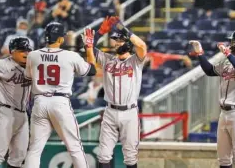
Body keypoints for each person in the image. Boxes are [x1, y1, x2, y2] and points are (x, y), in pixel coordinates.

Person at [23, 22, 96, 168]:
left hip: (39, 102)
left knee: (34, 150)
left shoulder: (33, 55)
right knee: (74, 147)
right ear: (61, 39)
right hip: (60, 101)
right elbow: (92, 70)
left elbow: (28, 77)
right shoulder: (71, 56)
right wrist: (89, 48)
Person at [189, 30, 235, 168]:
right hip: (224, 113)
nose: (230, 44)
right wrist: (200, 53)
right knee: (224, 159)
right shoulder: (227, 62)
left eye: (233, 42)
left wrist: (227, 54)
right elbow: (210, 70)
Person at [93, 16, 147, 168]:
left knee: (130, 157)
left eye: (119, 40)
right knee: (103, 155)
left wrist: (124, 30)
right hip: (110, 110)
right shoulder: (108, 59)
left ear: (128, 43)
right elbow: (88, 48)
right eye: (115, 40)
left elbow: (142, 45)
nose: (116, 43)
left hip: (129, 112)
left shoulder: (135, 61)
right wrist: (100, 32)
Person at [0, 37, 33, 168]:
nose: (26, 53)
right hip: (5, 111)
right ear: (12, 51)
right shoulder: (3, 64)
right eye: (22, 50)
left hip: (23, 115)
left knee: (18, 157)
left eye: (28, 50)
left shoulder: (31, 67)